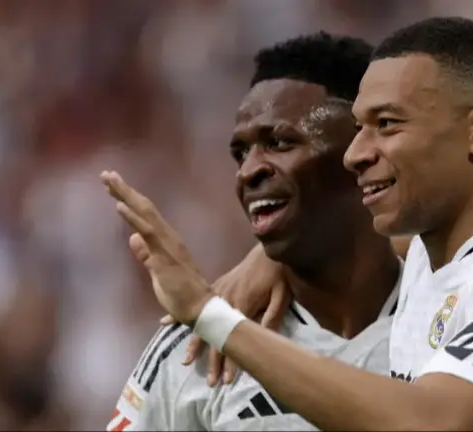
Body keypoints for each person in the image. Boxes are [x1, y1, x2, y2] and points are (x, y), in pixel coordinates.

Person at [103, 18, 473, 431]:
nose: (358, 153)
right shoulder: (437, 257)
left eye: (386, 124)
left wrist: (211, 315)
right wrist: (273, 256)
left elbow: (433, 424)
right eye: (358, 128)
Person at [107, 32, 403, 431]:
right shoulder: (196, 350)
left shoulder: (458, 310)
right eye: (241, 153)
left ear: (364, 151)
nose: (248, 171)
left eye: (279, 142)